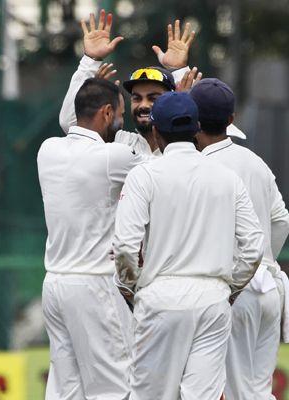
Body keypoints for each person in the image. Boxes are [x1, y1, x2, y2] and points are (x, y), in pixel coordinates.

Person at [113, 91, 265, 400]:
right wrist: (230, 289)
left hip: (159, 298)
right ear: (196, 128)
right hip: (213, 300)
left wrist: (131, 287)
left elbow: (127, 247)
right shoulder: (227, 178)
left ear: (155, 131)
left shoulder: (143, 175)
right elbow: (253, 247)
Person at [37, 77, 144, 399]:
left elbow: (69, 122)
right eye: (122, 113)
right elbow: (164, 170)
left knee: (66, 388)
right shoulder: (114, 157)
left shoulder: (48, 149)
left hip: (55, 284)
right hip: (95, 285)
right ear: (108, 113)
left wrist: (88, 63)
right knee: (115, 387)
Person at [190, 79, 289, 400]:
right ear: (231, 121)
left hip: (232, 291)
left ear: (193, 120)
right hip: (268, 291)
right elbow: (281, 219)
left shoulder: (199, 167)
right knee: (258, 391)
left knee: (235, 392)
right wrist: (265, 261)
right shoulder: (256, 162)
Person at [59, 10, 247, 156]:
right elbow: (70, 123)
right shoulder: (119, 143)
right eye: (136, 98)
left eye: (153, 98)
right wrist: (90, 61)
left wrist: (180, 73)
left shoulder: (190, 146)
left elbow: (219, 132)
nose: (143, 105)